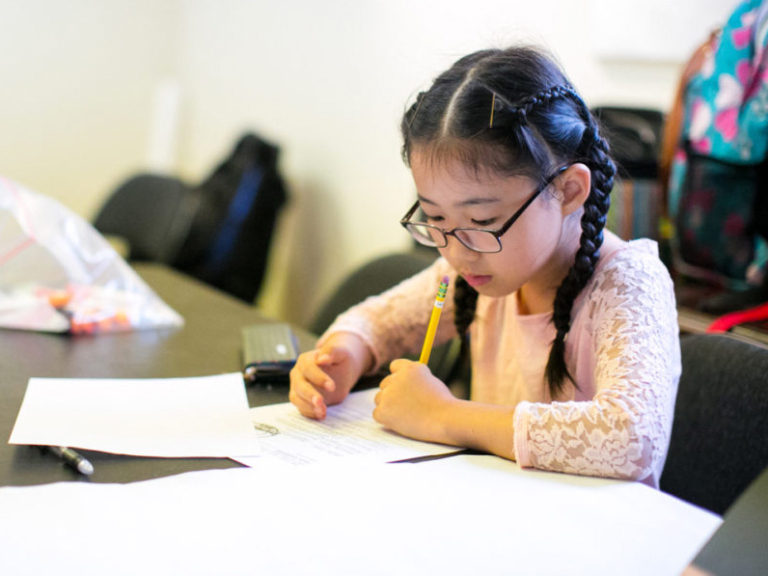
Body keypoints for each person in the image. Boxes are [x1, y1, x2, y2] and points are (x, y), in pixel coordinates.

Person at [289, 45, 681, 488]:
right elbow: (378, 319)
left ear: (569, 191)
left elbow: (632, 438)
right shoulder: (475, 270)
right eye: (436, 218)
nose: (456, 251)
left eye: (482, 221)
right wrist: (343, 354)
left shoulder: (629, 282)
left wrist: (444, 415)